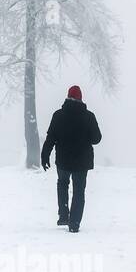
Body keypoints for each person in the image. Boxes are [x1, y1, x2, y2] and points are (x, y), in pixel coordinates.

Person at [41, 85, 102, 233]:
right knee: (79, 190)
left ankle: (63, 215)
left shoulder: (58, 115)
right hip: (82, 161)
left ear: (68, 97)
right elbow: (97, 139)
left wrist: (45, 155)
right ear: (81, 98)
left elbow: (51, 138)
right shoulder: (89, 116)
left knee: (62, 184)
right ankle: (74, 223)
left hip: (63, 159)